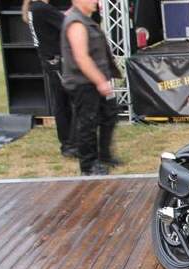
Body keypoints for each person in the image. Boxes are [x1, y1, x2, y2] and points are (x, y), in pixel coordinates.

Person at [61, 0, 121, 175]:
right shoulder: (76, 22)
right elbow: (82, 58)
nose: (95, 1)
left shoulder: (85, 19)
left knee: (109, 115)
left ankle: (104, 156)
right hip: (84, 83)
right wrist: (100, 81)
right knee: (88, 123)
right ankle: (88, 165)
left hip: (95, 80)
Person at [23, 0, 76, 158]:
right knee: (65, 103)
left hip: (49, 60)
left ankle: (70, 142)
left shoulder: (35, 8)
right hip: (56, 61)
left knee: (62, 102)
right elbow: (68, 25)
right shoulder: (42, 9)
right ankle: (69, 143)